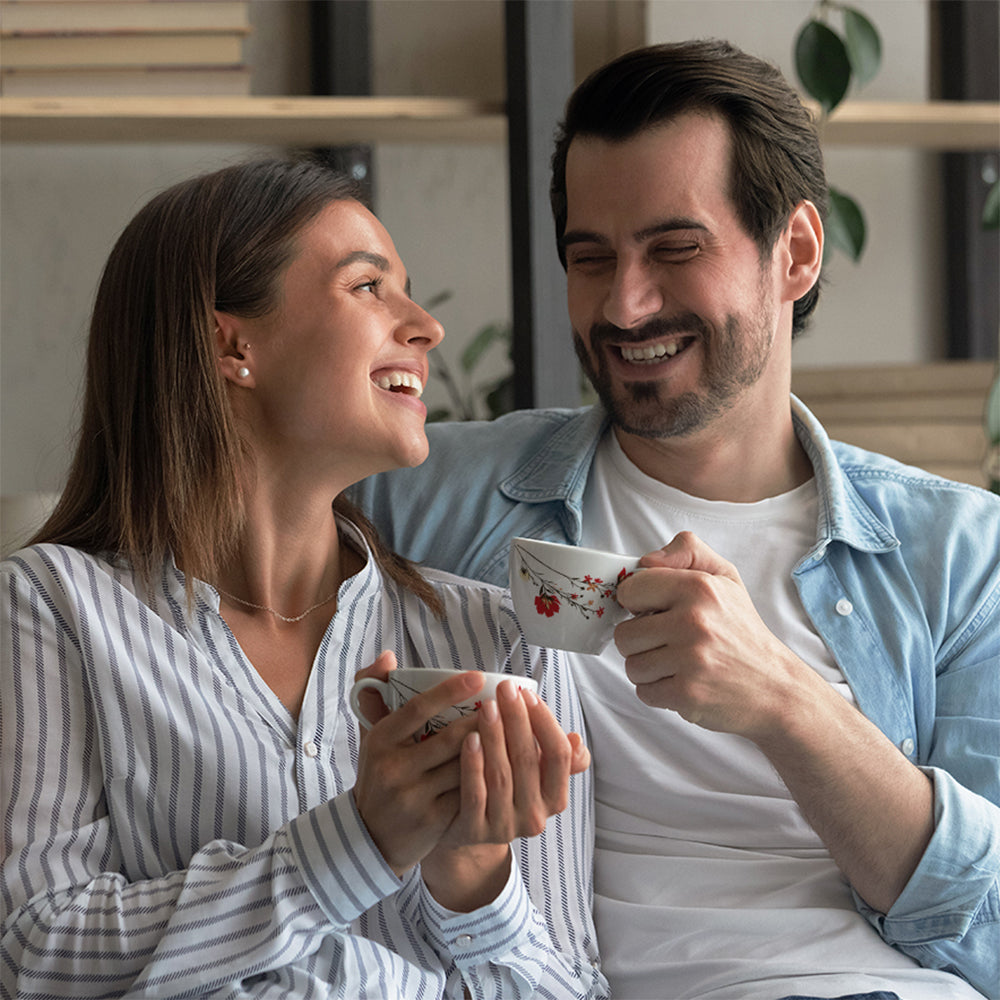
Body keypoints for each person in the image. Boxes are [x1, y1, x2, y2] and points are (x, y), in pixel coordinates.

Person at [352, 40, 1000, 1000]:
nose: (625, 303)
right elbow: (189, 511)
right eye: (591, 258)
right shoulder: (426, 489)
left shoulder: (957, 553)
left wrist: (782, 699)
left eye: (675, 249)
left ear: (798, 253)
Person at [0, 157, 610, 999]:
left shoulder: (503, 640)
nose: (426, 326)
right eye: (368, 288)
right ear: (233, 345)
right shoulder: (52, 608)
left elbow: (573, 989)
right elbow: (37, 953)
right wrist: (358, 840)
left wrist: (474, 878)